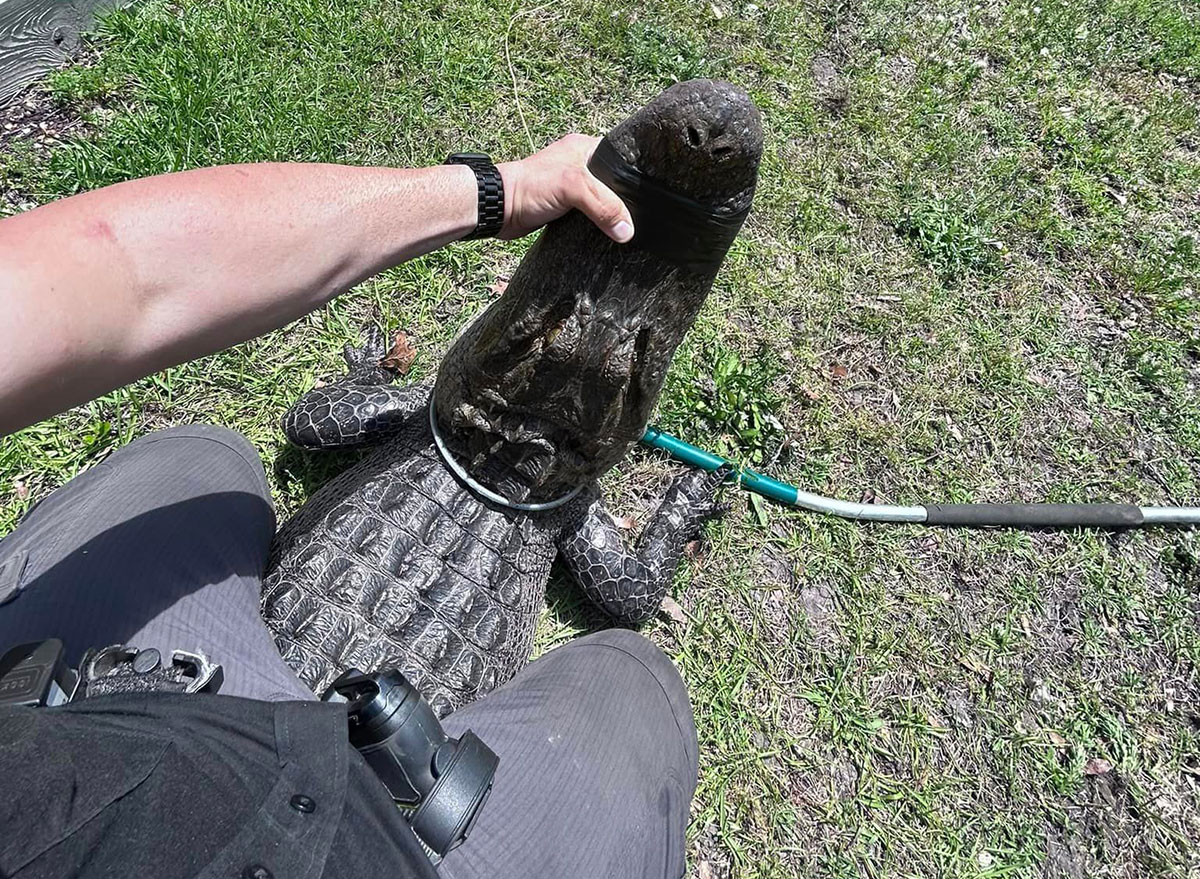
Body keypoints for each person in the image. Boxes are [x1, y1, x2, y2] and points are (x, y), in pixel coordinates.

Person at [0, 138, 699, 879]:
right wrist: (678, 512)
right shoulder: (568, 506)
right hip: (397, 827)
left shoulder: (418, 418)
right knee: (635, 676)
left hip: (125, 732)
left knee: (209, 453)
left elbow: (307, 418)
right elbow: (629, 594)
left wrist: (380, 380)